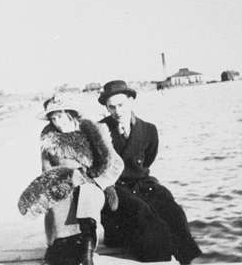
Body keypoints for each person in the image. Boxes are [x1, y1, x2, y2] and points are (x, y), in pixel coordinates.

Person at [98, 80, 202, 265]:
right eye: (111, 107)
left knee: (172, 208)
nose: (117, 112)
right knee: (143, 213)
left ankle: (187, 259)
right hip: (114, 187)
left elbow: (147, 160)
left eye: (121, 105)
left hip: (142, 182)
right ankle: (157, 258)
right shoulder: (100, 130)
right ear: (106, 108)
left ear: (131, 101)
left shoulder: (148, 130)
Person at [18, 95, 123, 265]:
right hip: (64, 185)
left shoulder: (93, 132)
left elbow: (115, 163)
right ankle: (62, 245)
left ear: (69, 114)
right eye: (53, 119)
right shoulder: (49, 140)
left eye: (59, 116)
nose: (57, 122)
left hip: (93, 184)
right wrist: (60, 184)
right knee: (59, 213)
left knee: (88, 196)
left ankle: (87, 250)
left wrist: (100, 183)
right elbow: (46, 171)